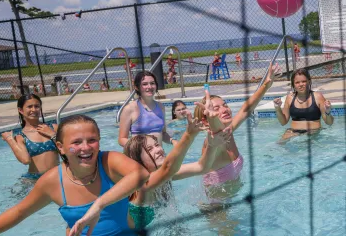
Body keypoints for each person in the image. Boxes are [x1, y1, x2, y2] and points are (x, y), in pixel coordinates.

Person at [0, 114, 149, 236]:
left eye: (92, 140)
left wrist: (98, 205)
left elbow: (141, 174)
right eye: (76, 142)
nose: (86, 147)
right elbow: (20, 212)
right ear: (60, 147)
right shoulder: (53, 181)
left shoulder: (109, 161)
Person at [194, 63, 280, 234]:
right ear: (206, 120)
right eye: (216, 109)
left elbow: (246, 108)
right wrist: (211, 118)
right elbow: (215, 128)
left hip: (228, 199)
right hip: (218, 208)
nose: (225, 109)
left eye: (225, 105)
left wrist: (267, 83)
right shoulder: (213, 140)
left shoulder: (228, 131)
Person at [123, 107, 231, 230]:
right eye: (149, 149)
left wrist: (212, 145)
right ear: (137, 161)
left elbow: (202, 167)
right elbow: (169, 167)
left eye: (157, 145)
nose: (158, 150)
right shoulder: (140, 184)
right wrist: (189, 134)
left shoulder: (167, 174)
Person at [1, 94, 60, 181]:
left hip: (57, 175)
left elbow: (68, 151)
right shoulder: (21, 137)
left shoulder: (53, 128)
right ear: (21, 110)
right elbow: (25, 160)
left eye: (37, 106)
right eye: (29, 107)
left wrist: (52, 135)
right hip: (35, 179)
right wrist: (9, 139)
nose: (34, 110)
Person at [273, 68, 333, 142]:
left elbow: (329, 122)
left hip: (313, 132)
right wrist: (277, 108)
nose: (301, 84)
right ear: (293, 84)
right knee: (278, 145)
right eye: (297, 82)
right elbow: (283, 122)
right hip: (293, 132)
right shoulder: (290, 98)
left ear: (309, 82)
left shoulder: (318, 96)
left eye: (304, 81)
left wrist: (328, 112)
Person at [118, 71, 175, 147]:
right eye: (144, 84)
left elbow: (163, 133)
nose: (149, 87)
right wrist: (141, 148)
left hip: (159, 156)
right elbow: (122, 139)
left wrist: (173, 141)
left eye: (152, 83)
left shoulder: (161, 107)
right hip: (139, 157)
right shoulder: (129, 109)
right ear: (136, 87)